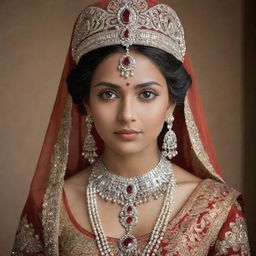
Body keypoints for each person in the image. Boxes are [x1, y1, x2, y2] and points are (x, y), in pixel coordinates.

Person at [11, 0, 250, 255]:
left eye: (146, 94)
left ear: (171, 104)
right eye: (108, 94)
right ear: (86, 104)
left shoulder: (216, 209)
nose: (127, 115)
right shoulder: (48, 208)